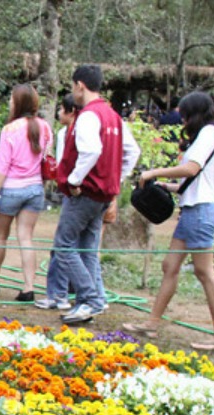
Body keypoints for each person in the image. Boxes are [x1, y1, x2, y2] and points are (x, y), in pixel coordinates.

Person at [124, 91, 214, 350]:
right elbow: (193, 181)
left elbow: (192, 169)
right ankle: (152, 323)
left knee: (204, 272)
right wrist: (166, 185)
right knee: (170, 266)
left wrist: (154, 172)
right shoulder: (205, 135)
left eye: (185, 115)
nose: (182, 120)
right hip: (192, 209)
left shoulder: (209, 132)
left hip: (201, 210)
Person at [53, 65, 141, 325]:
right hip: (103, 195)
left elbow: (91, 150)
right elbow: (132, 152)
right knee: (88, 249)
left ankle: (89, 299)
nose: (73, 92)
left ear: (80, 85)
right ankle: (94, 300)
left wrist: (74, 179)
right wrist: (116, 177)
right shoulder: (113, 116)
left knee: (64, 245)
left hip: (86, 193)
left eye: (73, 87)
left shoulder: (89, 116)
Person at [0, 84, 52, 302]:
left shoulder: (10, 130)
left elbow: (3, 165)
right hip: (34, 188)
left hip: (11, 189)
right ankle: (29, 287)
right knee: (26, 238)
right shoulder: (45, 127)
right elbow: (46, 157)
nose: (10, 103)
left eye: (12, 99)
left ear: (18, 103)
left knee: (0, 236)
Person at [35, 93, 78, 310]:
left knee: (62, 245)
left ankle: (58, 295)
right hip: (88, 194)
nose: (59, 113)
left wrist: (73, 181)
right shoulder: (65, 132)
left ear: (71, 112)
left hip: (76, 194)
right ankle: (90, 296)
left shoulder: (71, 133)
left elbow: (63, 164)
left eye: (61, 109)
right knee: (83, 246)